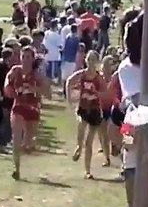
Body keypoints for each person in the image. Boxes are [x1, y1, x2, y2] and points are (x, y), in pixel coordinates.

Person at [4, 46, 50, 180]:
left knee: (27, 142)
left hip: (33, 109)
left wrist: (34, 88)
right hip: (18, 106)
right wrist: (8, 87)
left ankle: (27, 147)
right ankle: (16, 169)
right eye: (22, 57)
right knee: (16, 138)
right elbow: (8, 79)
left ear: (33, 59)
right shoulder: (15, 70)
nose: (24, 60)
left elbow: (48, 93)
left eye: (28, 57)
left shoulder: (37, 75)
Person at [66, 50, 106, 179]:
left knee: (89, 142)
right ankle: (78, 146)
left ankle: (87, 171)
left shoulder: (99, 78)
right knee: (81, 125)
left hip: (94, 109)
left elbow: (105, 93)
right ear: (86, 61)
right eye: (89, 60)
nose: (91, 64)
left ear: (97, 63)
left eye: (93, 61)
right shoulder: (82, 74)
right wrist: (69, 99)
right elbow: (69, 81)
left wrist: (96, 93)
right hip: (83, 107)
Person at [61, 24, 80, 94]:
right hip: (72, 60)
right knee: (70, 77)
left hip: (66, 59)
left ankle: (64, 90)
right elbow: (77, 50)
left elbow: (64, 48)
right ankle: (67, 91)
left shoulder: (67, 37)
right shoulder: (76, 38)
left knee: (65, 77)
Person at [43, 19, 63, 84]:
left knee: (47, 72)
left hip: (47, 56)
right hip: (54, 56)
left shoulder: (46, 33)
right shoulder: (56, 35)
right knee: (52, 74)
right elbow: (60, 46)